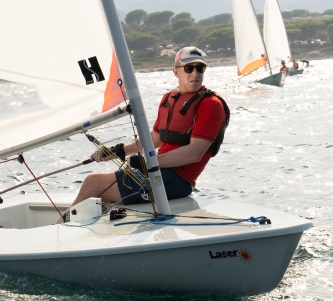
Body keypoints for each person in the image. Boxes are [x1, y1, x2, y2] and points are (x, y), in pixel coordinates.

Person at [62, 47, 228, 216]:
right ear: (176, 72)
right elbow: (155, 138)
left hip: (177, 181)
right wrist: (120, 150)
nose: (195, 74)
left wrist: (148, 162)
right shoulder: (168, 98)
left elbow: (195, 153)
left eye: (200, 68)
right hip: (158, 173)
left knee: (94, 183)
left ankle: (59, 227)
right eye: (188, 68)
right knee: (97, 193)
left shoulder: (211, 104)